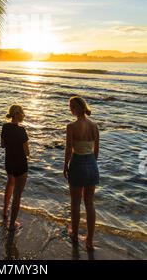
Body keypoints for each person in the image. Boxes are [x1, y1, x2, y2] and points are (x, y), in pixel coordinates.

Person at [63, 96, 99, 250]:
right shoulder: (94, 125)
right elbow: (96, 150)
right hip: (92, 164)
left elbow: (68, 149)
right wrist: (92, 163)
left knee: (75, 202)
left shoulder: (71, 126)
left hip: (77, 163)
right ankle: (89, 240)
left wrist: (65, 165)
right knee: (89, 203)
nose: (70, 110)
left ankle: (75, 234)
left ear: (76, 108)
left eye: (71, 107)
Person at [1, 104, 29, 231]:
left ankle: (5, 211)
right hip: (20, 164)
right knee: (17, 194)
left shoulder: (5, 127)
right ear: (18, 115)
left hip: (9, 161)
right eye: (22, 113)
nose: (23, 115)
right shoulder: (21, 130)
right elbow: (27, 152)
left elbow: (2, 145)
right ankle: (12, 224)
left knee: (9, 184)